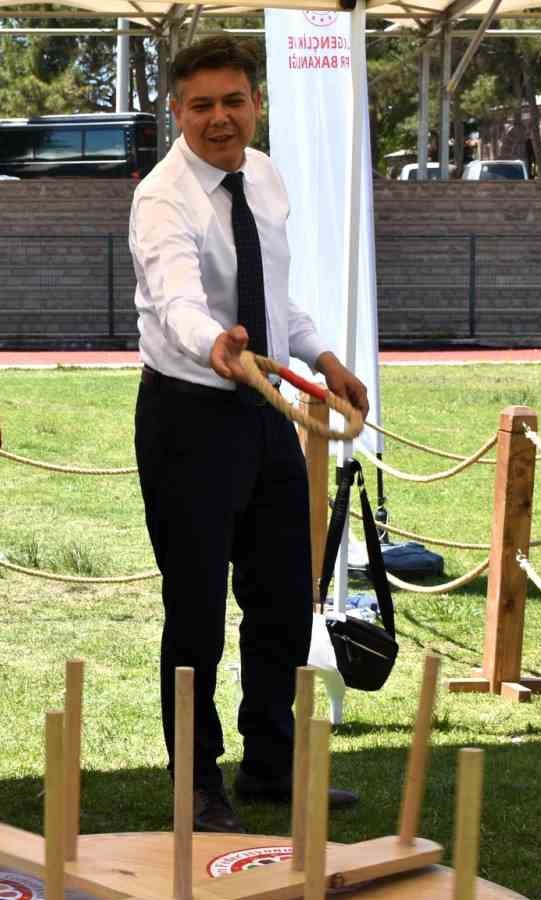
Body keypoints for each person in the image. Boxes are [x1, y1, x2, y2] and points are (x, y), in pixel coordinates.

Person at [127, 35, 370, 834]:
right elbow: (176, 300)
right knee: (194, 610)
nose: (220, 119)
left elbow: (276, 298)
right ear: (177, 112)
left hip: (265, 410)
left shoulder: (264, 177)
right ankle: (195, 783)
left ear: (256, 103)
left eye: (234, 101)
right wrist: (217, 346)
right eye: (201, 106)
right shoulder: (163, 198)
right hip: (189, 415)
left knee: (280, 601)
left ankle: (269, 762)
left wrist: (324, 358)